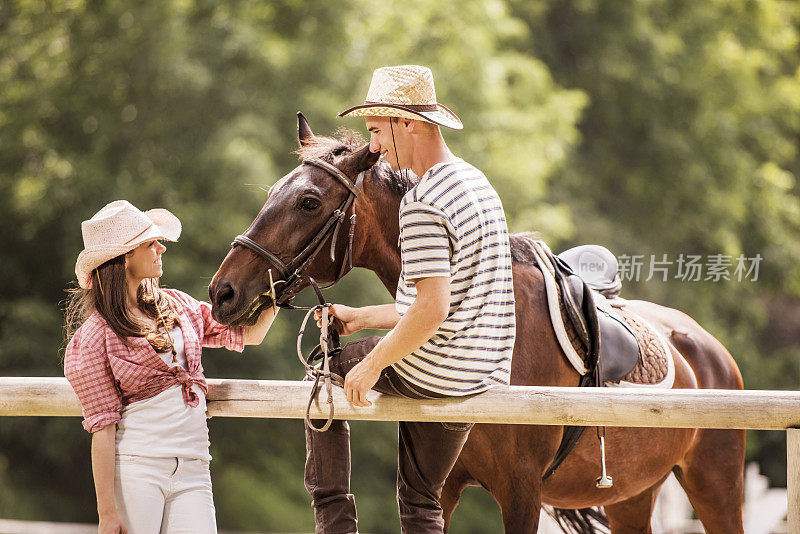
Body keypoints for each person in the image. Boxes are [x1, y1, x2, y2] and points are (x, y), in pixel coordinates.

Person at [305, 65, 516, 533]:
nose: (374, 147)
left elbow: (431, 310)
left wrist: (373, 363)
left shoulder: (422, 202)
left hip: (434, 369)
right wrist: (360, 318)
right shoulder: (478, 185)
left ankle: (334, 523)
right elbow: (447, 302)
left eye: (378, 131)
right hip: (478, 373)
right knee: (422, 502)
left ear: (409, 123)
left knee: (326, 371)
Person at [63, 200, 276, 534]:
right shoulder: (94, 338)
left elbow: (250, 335)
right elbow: (102, 428)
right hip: (138, 469)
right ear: (124, 257)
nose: (161, 247)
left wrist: (275, 286)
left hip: (194, 465)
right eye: (151, 242)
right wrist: (107, 512)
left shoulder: (176, 305)